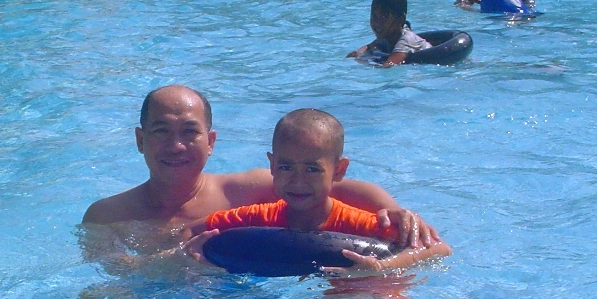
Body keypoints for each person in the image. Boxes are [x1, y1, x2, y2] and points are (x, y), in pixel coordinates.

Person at [82, 85, 442, 252]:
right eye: (161, 131)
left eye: (190, 132)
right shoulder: (106, 216)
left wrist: (395, 211)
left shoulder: (245, 191)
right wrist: (174, 265)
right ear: (140, 139)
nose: (176, 146)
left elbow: (334, 187)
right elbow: (117, 284)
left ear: (211, 141)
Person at [188, 108, 452, 272]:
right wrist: (187, 256)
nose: (298, 180)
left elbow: (440, 250)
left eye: (312, 169)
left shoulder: (358, 224)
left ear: (339, 170)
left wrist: (382, 267)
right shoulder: (259, 217)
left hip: (361, 294)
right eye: (286, 166)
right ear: (271, 165)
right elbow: (190, 231)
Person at [347, 0, 432, 67]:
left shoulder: (405, 40)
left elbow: (389, 65)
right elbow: (368, 47)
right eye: (374, 16)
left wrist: (366, 65)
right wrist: (359, 54)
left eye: (384, 17)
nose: (377, 22)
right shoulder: (387, 37)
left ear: (400, 19)